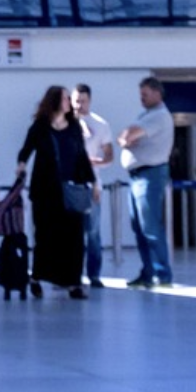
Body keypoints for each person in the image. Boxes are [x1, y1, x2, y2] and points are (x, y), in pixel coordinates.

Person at [15, 86, 96, 299]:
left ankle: (73, 282)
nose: (69, 102)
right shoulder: (40, 127)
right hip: (45, 191)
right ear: (55, 101)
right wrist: (21, 164)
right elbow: (26, 149)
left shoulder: (74, 127)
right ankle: (37, 277)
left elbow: (82, 156)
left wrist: (92, 182)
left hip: (71, 189)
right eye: (65, 98)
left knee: (74, 237)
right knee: (45, 236)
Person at [119, 75, 176, 288]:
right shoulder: (146, 114)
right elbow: (123, 136)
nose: (141, 98)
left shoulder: (159, 116)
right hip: (137, 177)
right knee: (139, 228)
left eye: (145, 94)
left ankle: (163, 274)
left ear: (157, 93)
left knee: (150, 226)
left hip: (150, 175)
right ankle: (148, 272)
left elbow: (129, 135)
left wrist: (128, 138)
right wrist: (127, 137)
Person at [73, 83, 116, 288]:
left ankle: (94, 274)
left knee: (93, 232)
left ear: (90, 100)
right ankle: (69, 274)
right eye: (76, 101)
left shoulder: (100, 124)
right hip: (69, 185)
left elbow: (109, 156)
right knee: (70, 232)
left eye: (83, 101)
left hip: (91, 185)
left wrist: (92, 163)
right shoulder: (64, 124)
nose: (79, 105)